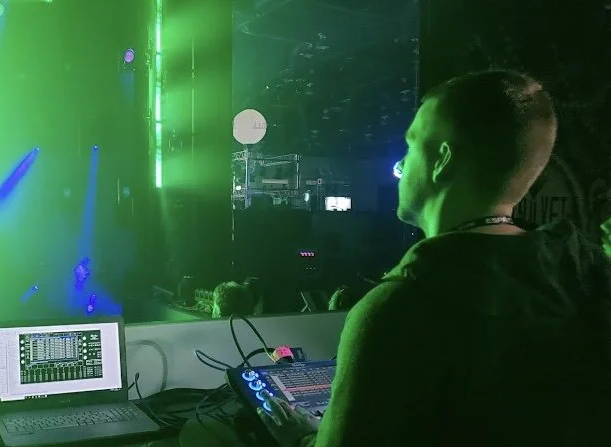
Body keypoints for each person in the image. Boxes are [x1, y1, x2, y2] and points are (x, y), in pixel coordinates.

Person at [259, 70, 611, 446]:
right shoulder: (589, 277)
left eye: (411, 146)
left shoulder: (399, 308)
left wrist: (303, 439)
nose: (402, 167)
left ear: (442, 160)